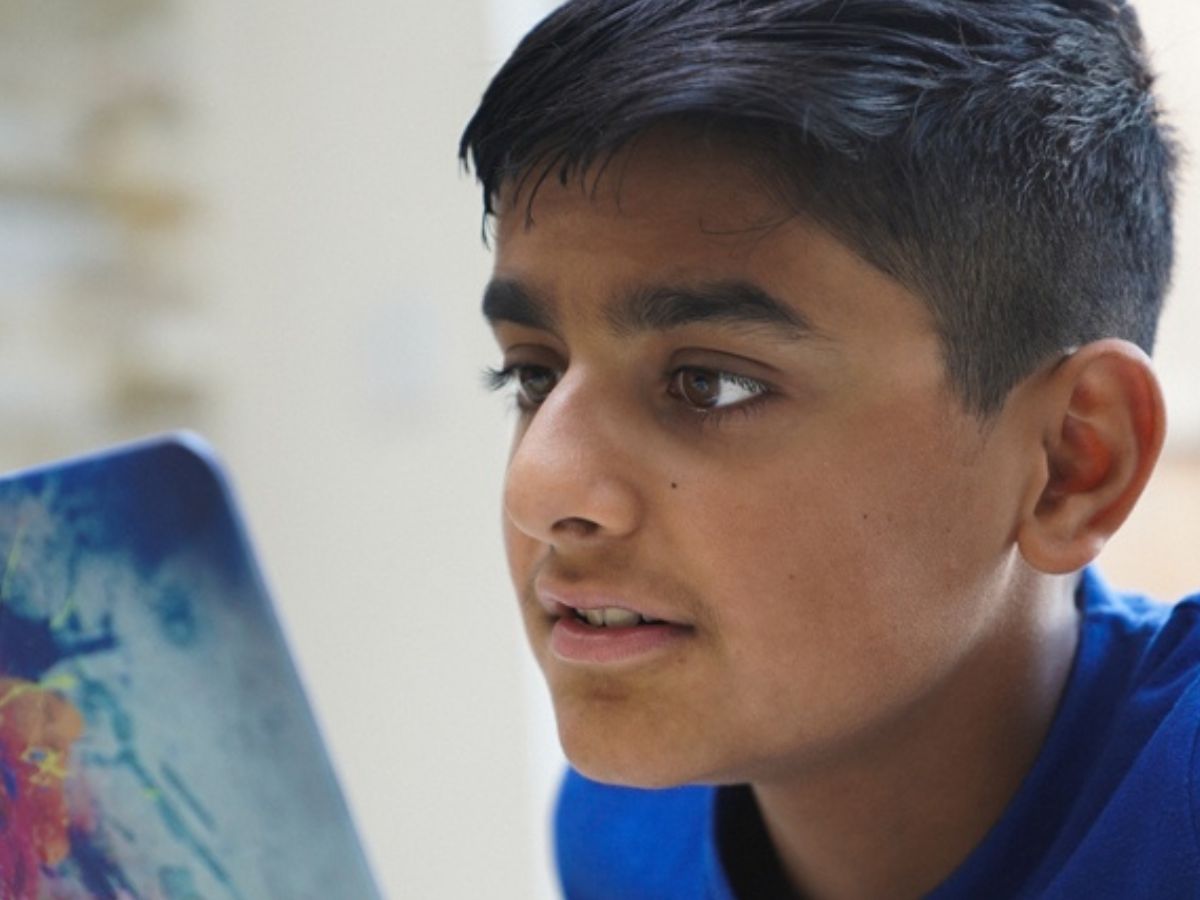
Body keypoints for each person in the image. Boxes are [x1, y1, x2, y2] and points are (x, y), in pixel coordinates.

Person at [460, 1, 1198, 897]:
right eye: (532, 377)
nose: (539, 486)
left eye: (710, 385)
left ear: (1075, 465)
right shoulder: (624, 827)